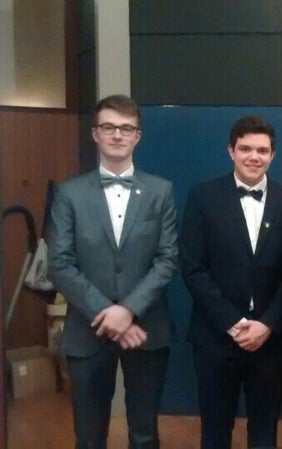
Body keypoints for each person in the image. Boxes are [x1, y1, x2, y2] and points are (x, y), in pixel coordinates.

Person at [47, 94, 179, 449]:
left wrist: (128, 310)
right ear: (95, 134)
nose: (117, 135)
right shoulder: (69, 194)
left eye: (126, 128)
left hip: (146, 328)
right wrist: (109, 313)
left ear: (138, 136)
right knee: (89, 437)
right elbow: (59, 263)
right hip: (87, 329)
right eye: (108, 127)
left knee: (145, 435)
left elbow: (168, 258)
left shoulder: (161, 191)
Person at [180, 116, 282, 448]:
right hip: (215, 337)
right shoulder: (202, 196)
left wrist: (267, 324)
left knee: (265, 432)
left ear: (273, 155)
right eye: (246, 148)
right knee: (215, 432)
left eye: (262, 150)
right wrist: (233, 323)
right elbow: (193, 268)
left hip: (269, 340)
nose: (254, 156)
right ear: (231, 151)